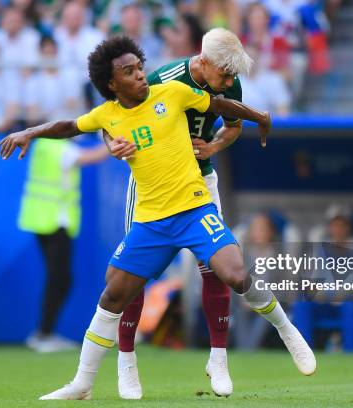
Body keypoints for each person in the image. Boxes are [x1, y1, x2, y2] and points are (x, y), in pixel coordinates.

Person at [0, 35, 315, 401]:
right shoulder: (114, 110)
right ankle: (85, 382)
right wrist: (30, 132)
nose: (141, 76)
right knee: (114, 291)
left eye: (140, 68)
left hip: (195, 207)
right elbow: (72, 126)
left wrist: (260, 116)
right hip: (151, 219)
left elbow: (220, 104)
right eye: (130, 72)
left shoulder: (172, 93)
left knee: (235, 273)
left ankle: (286, 331)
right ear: (112, 84)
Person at [106, 27, 255, 399]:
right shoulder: (160, 80)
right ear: (203, 62)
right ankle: (127, 364)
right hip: (152, 186)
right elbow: (111, 123)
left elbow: (233, 128)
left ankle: (218, 359)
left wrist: (213, 147)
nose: (230, 81)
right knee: (131, 276)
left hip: (201, 184)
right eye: (224, 74)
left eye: (233, 76)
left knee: (217, 268)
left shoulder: (229, 82)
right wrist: (115, 144)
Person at [20, 136, 109, 353]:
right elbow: (93, 156)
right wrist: (113, 139)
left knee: (58, 278)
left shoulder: (43, 145)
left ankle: (44, 333)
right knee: (59, 279)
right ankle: (44, 334)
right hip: (55, 221)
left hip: (39, 218)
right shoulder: (62, 149)